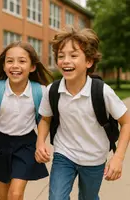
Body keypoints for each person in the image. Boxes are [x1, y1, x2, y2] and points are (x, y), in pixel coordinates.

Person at [35, 28, 130, 200]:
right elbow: (45, 120)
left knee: (88, 197)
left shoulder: (102, 92)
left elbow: (126, 123)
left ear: (89, 61)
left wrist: (118, 158)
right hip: (64, 154)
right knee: (56, 198)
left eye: (73, 55)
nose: (65, 61)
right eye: (61, 55)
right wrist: (40, 142)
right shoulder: (53, 90)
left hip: (94, 158)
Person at [0, 41, 53, 200]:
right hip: (0, 144)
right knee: (4, 197)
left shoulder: (40, 91)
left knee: (15, 194)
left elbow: (44, 120)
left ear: (32, 67)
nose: (15, 65)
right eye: (10, 61)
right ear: (4, 66)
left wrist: (41, 143)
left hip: (26, 144)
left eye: (22, 61)